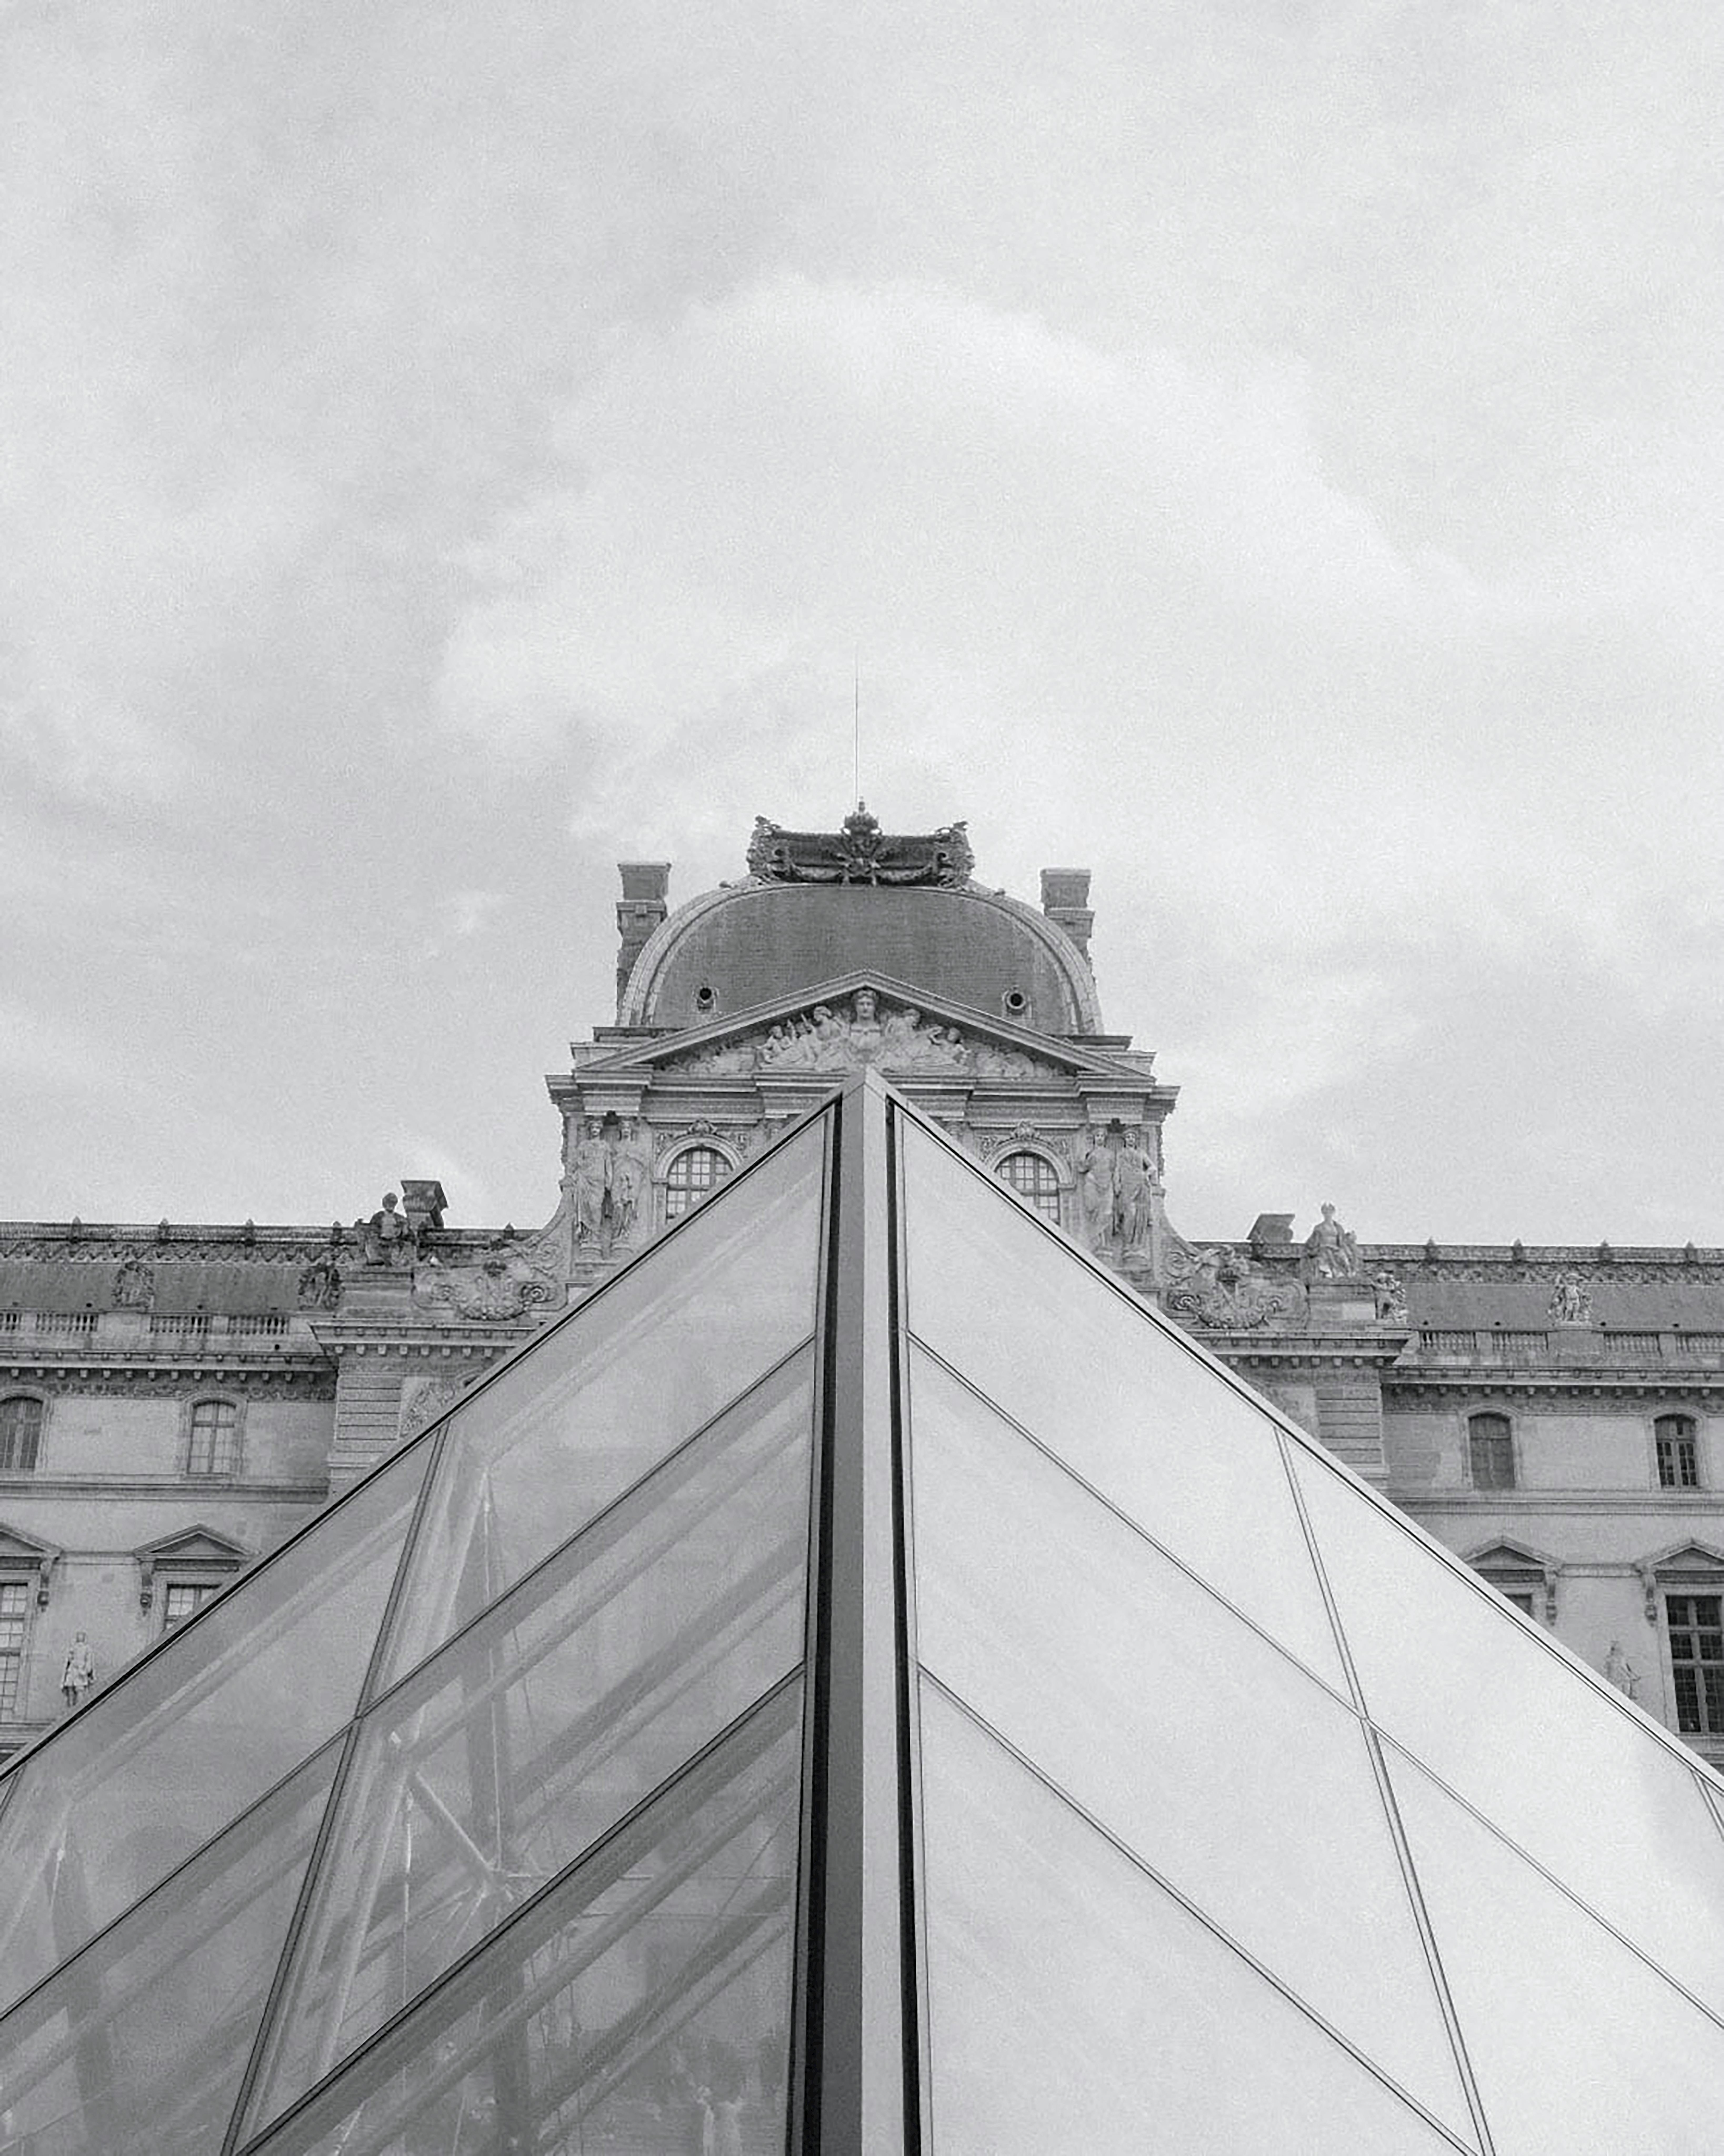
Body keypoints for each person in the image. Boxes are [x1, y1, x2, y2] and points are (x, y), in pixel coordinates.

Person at [61, 1632, 95, 1711]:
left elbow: (89, 1662)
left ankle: (79, 1710)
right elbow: (68, 1661)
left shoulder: (87, 1649)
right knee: (70, 1689)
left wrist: (86, 1671)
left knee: (80, 1690)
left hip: (81, 1671)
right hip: (73, 1671)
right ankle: (70, 1711)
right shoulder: (73, 1648)